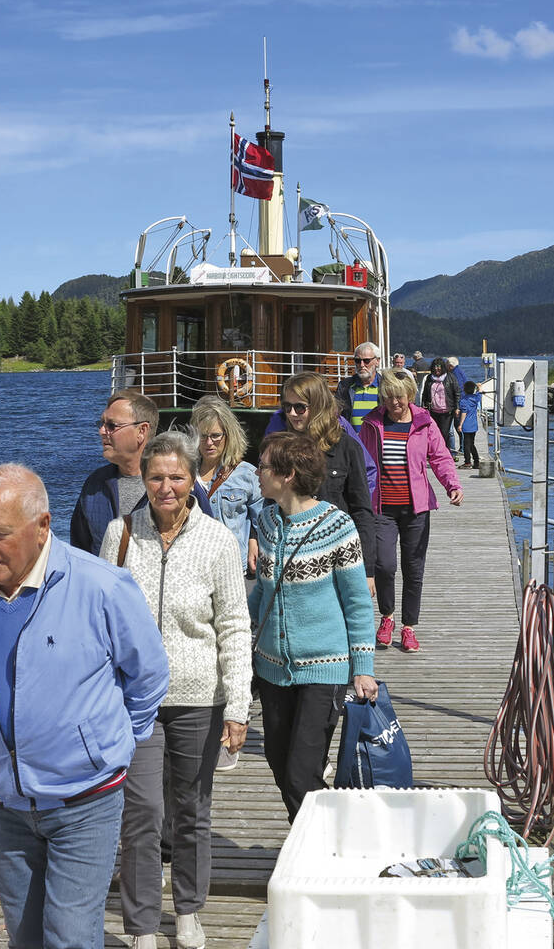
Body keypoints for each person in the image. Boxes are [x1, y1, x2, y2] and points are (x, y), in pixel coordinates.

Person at [0, 464, 169, 949]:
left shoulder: (103, 587)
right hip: (3, 803)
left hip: (85, 800)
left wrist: (111, 743)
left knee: (70, 938)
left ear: (42, 527)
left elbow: (148, 675)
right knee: (23, 937)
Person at [100, 432, 251, 949]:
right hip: (135, 702)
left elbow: (233, 625)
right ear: (143, 479)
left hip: (198, 699)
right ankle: (141, 924)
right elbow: (101, 623)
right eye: (157, 477)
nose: (167, 487)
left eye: (177, 477)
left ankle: (188, 911)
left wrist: (238, 705)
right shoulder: (119, 535)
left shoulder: (218, 541)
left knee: (192, 809)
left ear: (192, 481)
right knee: (140, 813)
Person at [249, 432, 377, 821]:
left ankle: (317, 852)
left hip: (324, 668)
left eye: (264, 466)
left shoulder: (337, 526)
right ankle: (313, 839)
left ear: (287, 475)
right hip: (271, 667)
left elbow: (357, 602)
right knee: (277, 761)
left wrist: (363, 668)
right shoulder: (267, 520)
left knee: (300, 773)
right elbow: (262, 593)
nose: (257, 473)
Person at [360, 369, 464, 654]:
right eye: (389, 397)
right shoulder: (371, 423)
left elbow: (440, 456)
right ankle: (387, 618)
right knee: (384, 565)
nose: (394, 403)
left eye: (399, 397)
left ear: (410, 396)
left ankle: (409, 627)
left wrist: (452, 485)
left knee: (413, 568)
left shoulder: (423, 422)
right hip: (381, 507)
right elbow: (361, 463)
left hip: (416, 508)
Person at [71, 390, 212, 554]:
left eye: (111, 425)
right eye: (101, 424)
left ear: (142, 431)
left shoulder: (180, 487)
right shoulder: (94, 485)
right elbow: (80, 551)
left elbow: (209, 544)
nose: (102, 431)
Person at [280, 372, 376, 589]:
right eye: (287, 407)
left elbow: (361, 510)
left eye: (300, 407)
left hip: (336, 556)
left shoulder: (348, 448)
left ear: (318, 406)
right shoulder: (279, 448)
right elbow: (268, 503)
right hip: (291, 557)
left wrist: (368, 569)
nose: (292, 414)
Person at [190, 395, 262, 574]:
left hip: (235, 569)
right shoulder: (184, 473)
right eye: (202, 436)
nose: (208, 443)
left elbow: (262, 519)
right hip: (194, 569)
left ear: (228, 435)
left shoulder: (247, 474)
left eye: (215, 436)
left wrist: (254, 539)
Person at [334, 341, 382, 428]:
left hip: (376, 440)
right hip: (352, 440)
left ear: (377, 361)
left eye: (366, 360)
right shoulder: (345, 386)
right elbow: (335, 414)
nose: (362, 365)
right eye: (357, 361)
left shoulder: (385, 386)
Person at [420, 357, 461, 449]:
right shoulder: (429, 378)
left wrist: (457, 407)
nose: (436, 369)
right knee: (434, 432)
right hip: (433, 411)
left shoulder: (450, 377)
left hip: (447, 411)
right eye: (435, 367)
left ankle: (444, 452)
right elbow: (425, 394)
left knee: (444, 433)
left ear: (442, 367)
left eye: (439, 367)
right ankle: (435, 451)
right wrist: (423, 406)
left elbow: (457, 393)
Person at [457, 380, 482, 470]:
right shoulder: (476, 398)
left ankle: (467, 462)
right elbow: (480, 393)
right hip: (474, 425)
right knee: (472, 444)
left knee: (466, 445)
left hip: (466, 425)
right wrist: (479, 387)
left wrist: (460, 424)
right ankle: (476, 461)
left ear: (465, 390)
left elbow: (464, 413)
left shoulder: (463, 400)